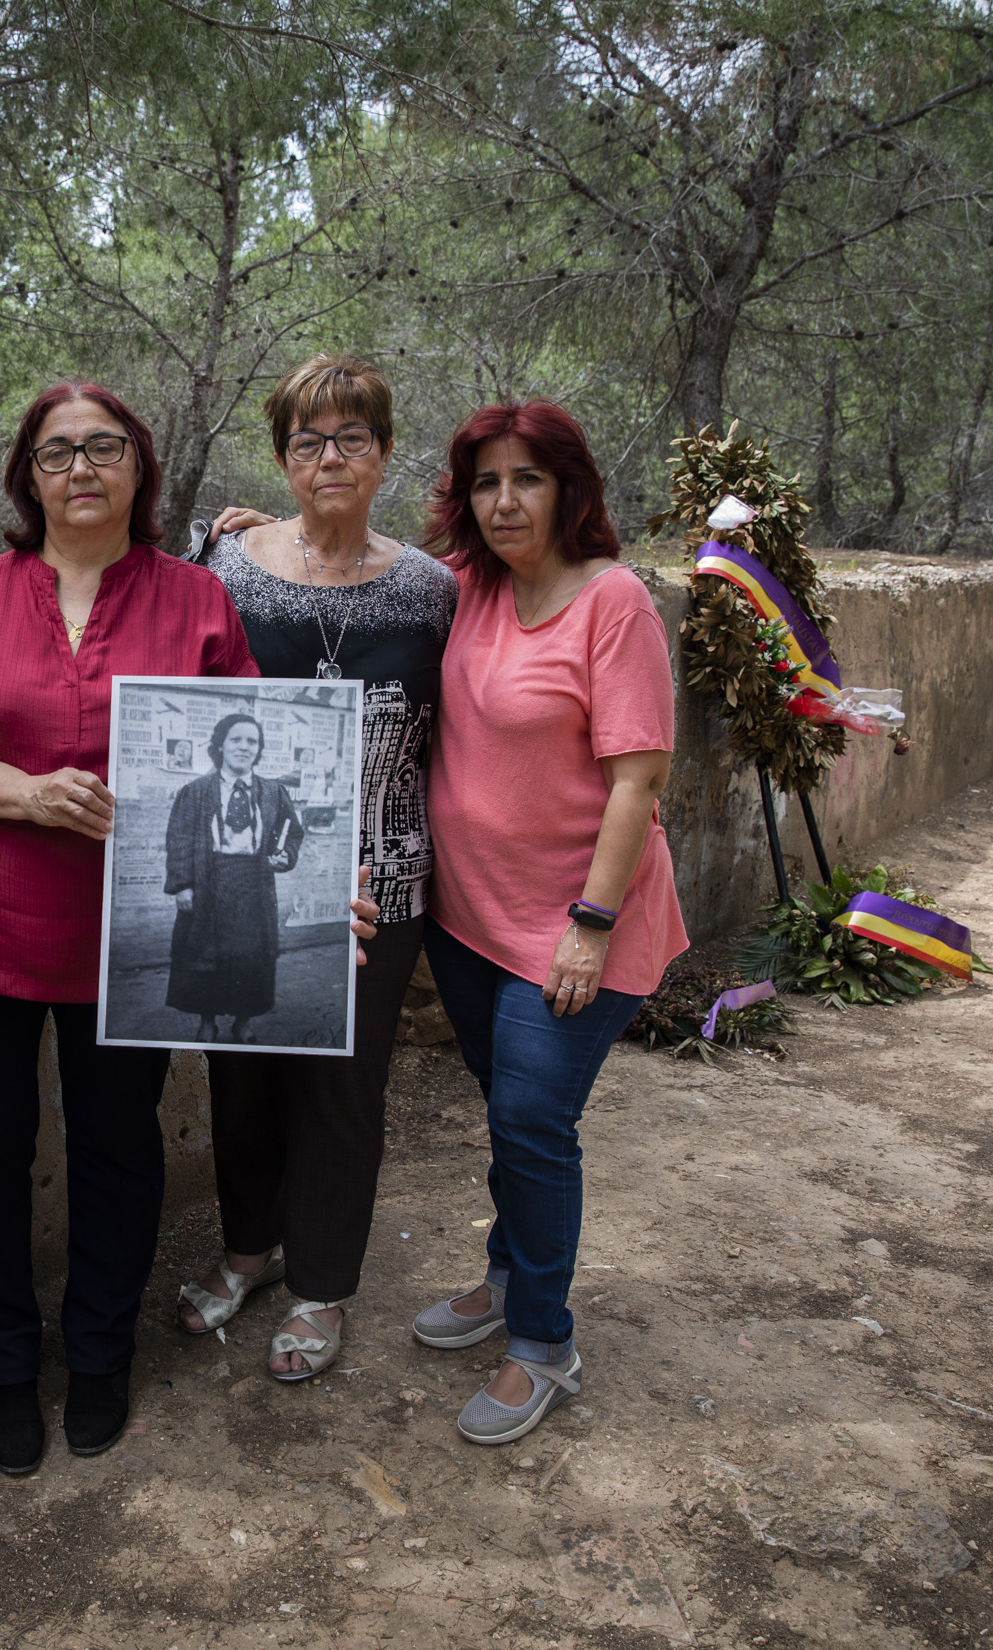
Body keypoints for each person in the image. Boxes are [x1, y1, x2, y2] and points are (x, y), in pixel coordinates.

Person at [0, 381, 273, 1477]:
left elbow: (261, 745)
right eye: (56, 452)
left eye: (104, 447)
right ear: (27, 475)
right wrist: (27, 795)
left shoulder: (195, 597)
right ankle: (6, 1364)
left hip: (135, 932)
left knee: (114, 1146)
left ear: (139, 469)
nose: (81, 467)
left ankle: (99, 1351)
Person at [406, 400, 685, 1445]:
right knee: (505, 1107)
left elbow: (637, 779)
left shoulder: (614, 603)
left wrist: (590, 920)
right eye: (485, 481)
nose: (504, 499)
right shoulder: (470, 587)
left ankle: (543, 1342)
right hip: (469, 914)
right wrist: (254, 533)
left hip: (576, 924)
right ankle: (504, 1266)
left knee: (532, 1120)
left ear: (570, 487)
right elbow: (368, 568)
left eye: (526, 477)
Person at [174, 354, 458, 1382]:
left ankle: (321, 1283)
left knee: (343, 1086)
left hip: (380, 881)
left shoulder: (435, 592)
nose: (328, 456)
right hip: (246, 878)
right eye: (306, 440)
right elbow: (183, 697)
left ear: (384, 453)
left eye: (350, 437)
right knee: (241, 1071)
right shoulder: (229, 566)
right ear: (283, 458)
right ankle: (249, 1248)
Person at [163, 712, 305, 1043]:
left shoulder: (274, 792)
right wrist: (182, 885)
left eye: (251, 741)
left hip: (255, 884)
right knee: (207, 955)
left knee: (252, 957)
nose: (244, 747)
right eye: (236, 739)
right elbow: (179, 839)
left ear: (259, 749)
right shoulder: (196, 791)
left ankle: (244, 1022)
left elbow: (292, 833)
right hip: (210, 881)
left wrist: (286, 856)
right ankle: (207, 1021)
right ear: (221, 745)